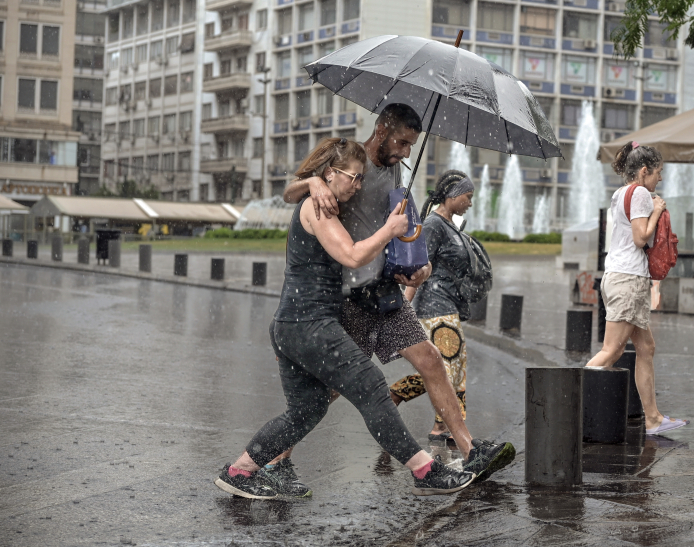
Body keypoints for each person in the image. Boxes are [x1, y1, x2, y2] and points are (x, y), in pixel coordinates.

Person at [215, 138, 476, 499]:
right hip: (310, 325)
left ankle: (240, 470)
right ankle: (423, 469)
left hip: (293, 325)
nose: (357, 185)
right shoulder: (318, 208)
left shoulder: (322, 200)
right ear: (330, 173)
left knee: (306, 411)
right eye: (353, 178)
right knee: (370, 387)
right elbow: (352, 256)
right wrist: (390, 228)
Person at [281, 104, 515, 480]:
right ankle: (278, 458)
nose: (406, 152)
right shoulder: (349, 163)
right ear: (382, 127)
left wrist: (415, 268)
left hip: (385, 293)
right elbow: (289, 194)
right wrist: (311, 182)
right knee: (329, 389)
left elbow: (395, 231)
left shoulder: (394, 171)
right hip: (352, 298)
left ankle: (470, 451)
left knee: (431, 361)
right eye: (402, 142)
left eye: (411, 145)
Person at [586, 141, 689, 435]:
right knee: (612, 351)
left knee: (646, 347)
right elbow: (640, 238)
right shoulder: (642, 193)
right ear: (644, 171)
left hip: (622, 276)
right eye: (658, 172)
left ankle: (653, 418)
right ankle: (571, 399)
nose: (660, 178)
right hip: (628, 279)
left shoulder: (621, 193)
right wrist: (657, 210)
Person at [389, 170, 479, 442]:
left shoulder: (450, 225)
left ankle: (398, 395)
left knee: (452, 367)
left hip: (448, 305)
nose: (470, 203)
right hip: (434, 307)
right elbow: (417, 269)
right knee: (447, 367)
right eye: (468, 196)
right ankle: (443, 427)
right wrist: (402, 309)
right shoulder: (433, 225)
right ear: (452, 196)